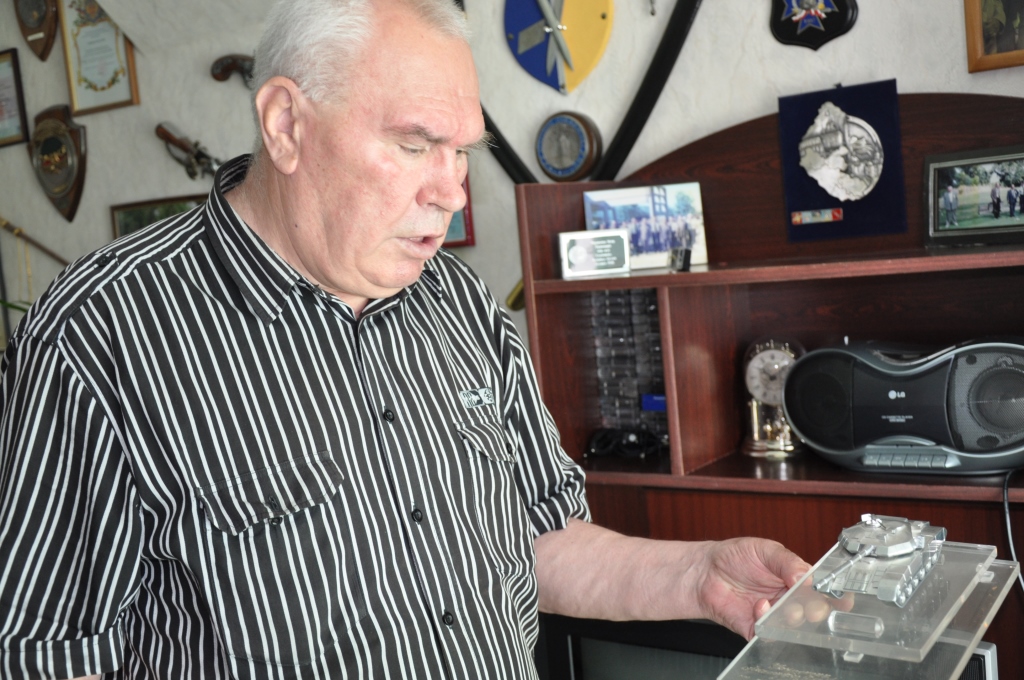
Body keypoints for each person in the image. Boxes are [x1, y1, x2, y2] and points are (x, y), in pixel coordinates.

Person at [0, 1, 813, 678]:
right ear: (285, 124)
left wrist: (699, 577)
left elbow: (540, 540)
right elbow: (47, 653)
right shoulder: (97, 335)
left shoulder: (456, 300)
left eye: (460, 153)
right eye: (415, 144)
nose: (451, 194)